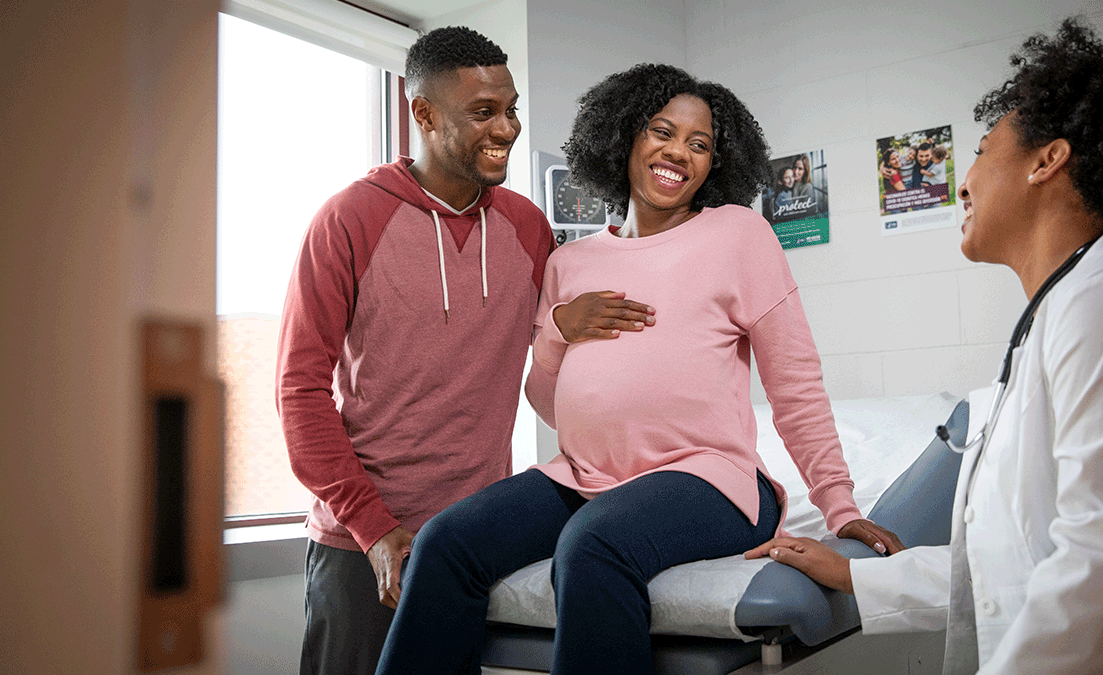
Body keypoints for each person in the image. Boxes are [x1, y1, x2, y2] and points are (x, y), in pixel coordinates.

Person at [374, 63, 903, 675]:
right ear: (624, 136)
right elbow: (545, 402)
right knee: (444, 543)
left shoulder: (739, 235)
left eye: (699, 144)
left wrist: (840, 506)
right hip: (586, 478)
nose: (679, 151)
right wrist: (560, 331)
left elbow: (796, 387)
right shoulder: (569, 263)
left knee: (593, 546)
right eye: (661, 131)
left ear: (715, 163)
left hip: (713, 481)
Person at [747, 16, 1103, 674]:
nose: (963, 181)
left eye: (984, 151)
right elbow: (1009, 569)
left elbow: (1102, 569)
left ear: (1048, 161)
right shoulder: (1057, 319)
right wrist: (856, 576)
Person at [275, 26, 555, 675]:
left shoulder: (526, 226)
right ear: (422, 112)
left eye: (511, 109)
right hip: (359, 542)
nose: (507, 128)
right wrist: (373, 527)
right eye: (483, 111)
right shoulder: (349, 219)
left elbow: (567, 348)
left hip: (468, 541)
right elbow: (299, 391)